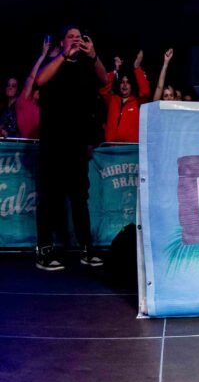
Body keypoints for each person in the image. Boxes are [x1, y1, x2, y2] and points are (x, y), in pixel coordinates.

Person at [34, 25, 108, 270]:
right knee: (50, 198)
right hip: (53, 144)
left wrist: (94, 55)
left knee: (79, 198)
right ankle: (45, 250)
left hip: (76, 145)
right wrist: (63, 57)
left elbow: (104, 79)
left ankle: (86, 248)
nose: (76, 40)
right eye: (71, 37)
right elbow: (40, 80)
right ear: (62, 42)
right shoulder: (55, 64)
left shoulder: (86, 66)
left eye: (79, 36)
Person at [100, 50, 151, 142]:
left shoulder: (138, 103)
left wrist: (137, 67)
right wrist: (115, 71)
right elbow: (104, 90)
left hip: (130, 148)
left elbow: (145, 92)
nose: (124, 85)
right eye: (122, 82)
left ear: (131, 86)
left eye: (127, 82)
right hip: (111, 147)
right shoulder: (113, 100)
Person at [15, 37, 52, 139]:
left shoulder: (39, 108)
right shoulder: (24, 99)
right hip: (26, 144)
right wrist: (43, 55)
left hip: (37, 144)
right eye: (39, 90)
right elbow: (32, 77)